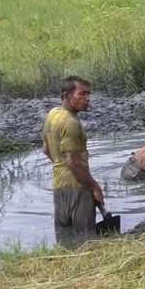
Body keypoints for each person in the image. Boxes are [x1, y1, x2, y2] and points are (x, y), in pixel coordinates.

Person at [42, 75, 104, 242]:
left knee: (64, 238)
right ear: (67, 96)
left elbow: (46, 149)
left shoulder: (52, 114)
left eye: (88, 94)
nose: (87, 98)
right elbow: (73, 162)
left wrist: (62, 167)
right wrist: (95, 187)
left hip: (58, 185)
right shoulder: (71, 123)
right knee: (86, 239)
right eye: (82, 94)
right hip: (78, 186)